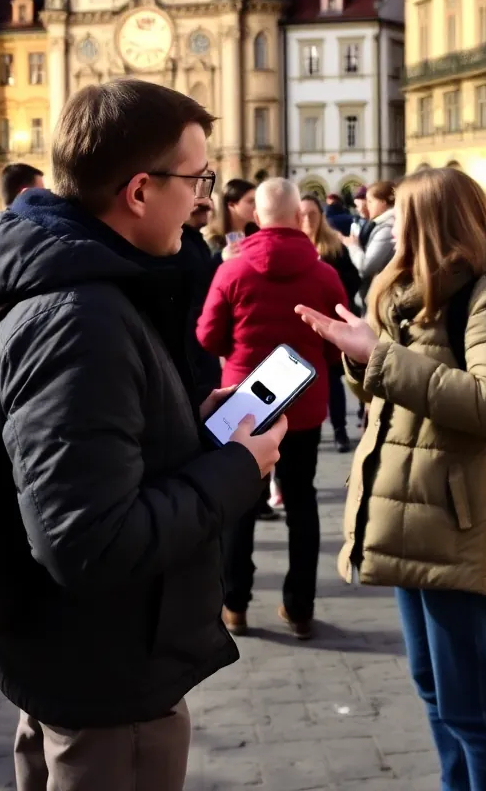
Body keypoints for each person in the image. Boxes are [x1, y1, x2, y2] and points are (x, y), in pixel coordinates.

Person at [0, 79, 284, 791]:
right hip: (106, 674)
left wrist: (186, 426)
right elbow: (89, 540)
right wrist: (237, 466)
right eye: (197, 178)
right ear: (139, 190)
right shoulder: (81, 318)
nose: (203, 198)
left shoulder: (74, 285)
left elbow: (85, 461)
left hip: (74, 656)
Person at [295, 167, 486, 791]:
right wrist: (361, 360)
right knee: (435, 690)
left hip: (463, 519)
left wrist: (376, 357)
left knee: (475, 709)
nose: (387, 225)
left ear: (433, 223)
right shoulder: (414, 292)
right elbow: (394, 393)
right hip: (413, 513)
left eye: (400, 215)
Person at [198, 179, 346, 639]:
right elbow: (340, 339)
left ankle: (234, 604)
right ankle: (299, 608)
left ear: (256, 217)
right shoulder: (323, 273)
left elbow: (208, 336)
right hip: (303, 404)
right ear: (299, 217)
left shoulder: (233, 271)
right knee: (302, 500)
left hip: (246, 402)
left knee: (240, 503)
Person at [299, 194, 360, 453]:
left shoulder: (333, 245)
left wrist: (330, 277)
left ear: (321, 216)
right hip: (303, 325)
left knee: (334, 380)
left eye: (312, 214)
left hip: (332, 325)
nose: (307, 219)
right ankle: (305, 430)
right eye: (302, 215)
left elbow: (353, 280)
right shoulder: (295, 245)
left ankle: (339, 431)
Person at [178, 192, 222, 402]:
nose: (206, 203)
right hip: (192, 359)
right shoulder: (175, 243)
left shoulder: (194, 239)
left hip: (202, 352)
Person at [358, 180, 397, 307]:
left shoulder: (387, 228)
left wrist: (352, 246)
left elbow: (367, 266)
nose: (367, 206)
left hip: (383, 297)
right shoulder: (381, 224)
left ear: (383, 203)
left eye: (370, 201)